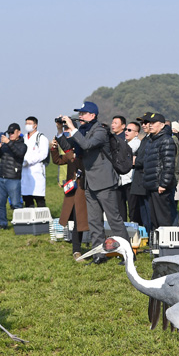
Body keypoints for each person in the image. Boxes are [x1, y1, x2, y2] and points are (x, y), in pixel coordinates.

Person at [59, 102, 128, 265]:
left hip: (104, 181)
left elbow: (86, 144)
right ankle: (99, 254)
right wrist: (61, 130)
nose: (80, 116)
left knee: (114, 219)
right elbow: (71, 147)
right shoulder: (83, 130)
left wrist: (73, 128)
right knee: (94, 220)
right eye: (79, 114)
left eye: (83, 113)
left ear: (92, 115)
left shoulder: (100, 130)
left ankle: (126, 253)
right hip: (89, 181)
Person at [51, 132, 88, 259]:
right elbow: (57, 160)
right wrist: (54, 148)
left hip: (83, 190)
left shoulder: (83, 153)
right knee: (75, 219)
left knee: (80, 221)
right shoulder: (70, 153)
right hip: (72, 190)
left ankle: (77, 249)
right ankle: (76, 248)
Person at [140, 113, 178, 229]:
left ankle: (166, 245)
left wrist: (163, 184)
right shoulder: (151, 140)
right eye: (149, 123)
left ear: (161, 125)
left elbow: (169, 165)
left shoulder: (166, 140)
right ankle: (156, 244)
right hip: (151, 185)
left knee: (163, 219)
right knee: (154, 219)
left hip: (160, 187)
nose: (150, 125)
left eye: (153, 123)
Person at [0, 123, 27, 230]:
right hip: (1, 178)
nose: (10, 134)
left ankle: (21, 225)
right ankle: (3, 224)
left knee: (16, 204)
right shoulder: (5, 145)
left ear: (19, 132)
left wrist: (8, 142)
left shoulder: (22, 145)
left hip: (13, 178)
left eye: (12, 132)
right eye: (9, 133)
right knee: (0, 204)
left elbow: (19, 154)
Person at [21, 116, 49, 208]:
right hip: (24, 171)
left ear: (35, 125)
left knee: (39, 198)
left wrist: (29, 161)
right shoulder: (23, 138)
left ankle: (42, 220)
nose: (27, 126)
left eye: (29, 124)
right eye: (26, 124)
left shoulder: (41, 138)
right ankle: (29, 220)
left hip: (36, 171)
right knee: (27, 199)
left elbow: (43, 154)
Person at [119, 121, 141, 222]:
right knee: (121, 206)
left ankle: (135, 228)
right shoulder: (124, 142)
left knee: (133, 208)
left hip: (131, 180)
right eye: (125, 130)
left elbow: (123, 154)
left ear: (136, 133)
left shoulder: (136, 143)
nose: (126, 132)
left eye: (129, 130)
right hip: (122, 179)